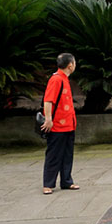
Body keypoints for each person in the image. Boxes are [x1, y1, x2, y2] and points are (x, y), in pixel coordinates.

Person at [41, 53, 78, 195]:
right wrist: (48, 119)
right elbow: (48, 100)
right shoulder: (56, 79)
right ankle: (48, 184)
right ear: (70, 65)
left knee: (67, 155)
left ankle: (66, 181)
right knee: (54, 155)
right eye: (74, 63)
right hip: (57, 125)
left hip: (69, 124)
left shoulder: (64, 79)